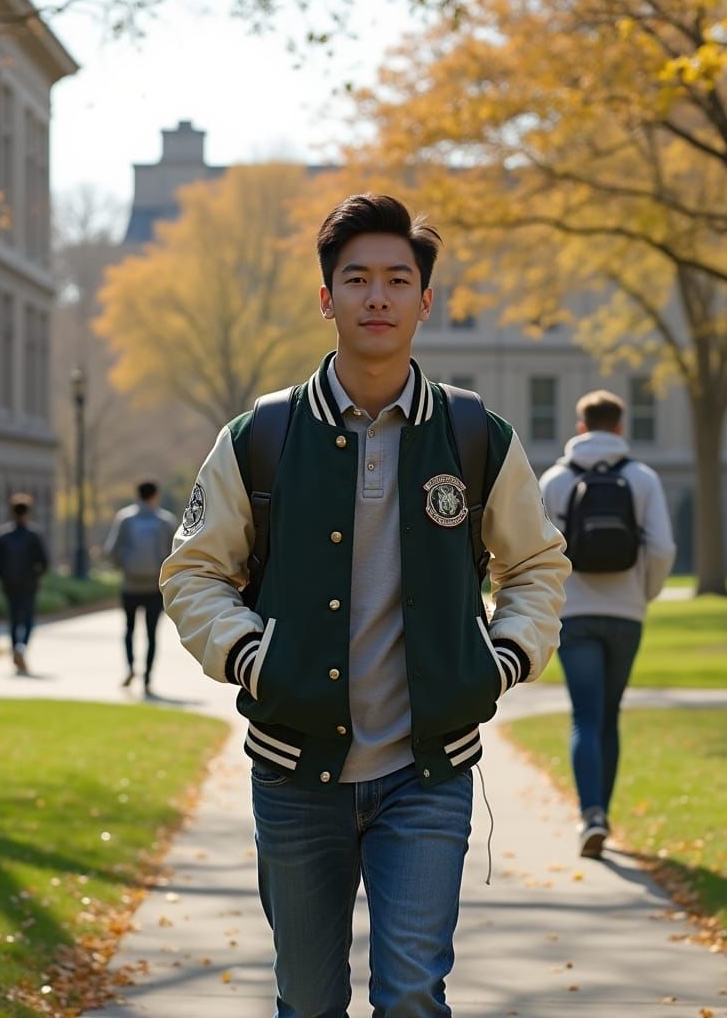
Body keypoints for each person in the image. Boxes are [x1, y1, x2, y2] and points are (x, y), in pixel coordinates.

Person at [161, 192, 570, 1017]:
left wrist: (501, 660)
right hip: (293, 771)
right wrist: (253, 659)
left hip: (428, 770)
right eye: (356, 280)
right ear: (327, 299)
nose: (376, 297)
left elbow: (535, 564)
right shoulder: (261, 436)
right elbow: (194, 572)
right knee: (308, 1002)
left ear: (425, 300)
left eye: (396, 280)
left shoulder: (474, 434)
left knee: (412, 994)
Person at [539, 390, 676, 859]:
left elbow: (538, 552)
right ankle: (603, 814)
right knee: (609, 716)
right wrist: (645, 592)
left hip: (574, 613)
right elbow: (662, 548)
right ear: (620, 427)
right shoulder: (643, 478)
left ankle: (591, 814)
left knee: (584, 715)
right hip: (626, 613)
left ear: (580, 427)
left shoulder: (555, 479)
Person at [104, 479, 178, 693]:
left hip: (130, 585)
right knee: (151, 634)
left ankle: (130, 667)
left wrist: (123, 566)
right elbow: (175, 554)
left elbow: (112, 550)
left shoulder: (125, 518)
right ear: (155, 495)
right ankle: (147, 678)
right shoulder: (165, 520)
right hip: (154, 587)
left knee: (129, 629)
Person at [0, 492, 49, 675]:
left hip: (10, 584)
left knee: (14, 620)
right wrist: (36, 576)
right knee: (28, 620)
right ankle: (21, 648)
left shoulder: (3, 535)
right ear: (27, 512)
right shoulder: (33, 535)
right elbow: (44, 562)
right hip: (29, 584)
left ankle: (16, 648)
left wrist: (3, 576)